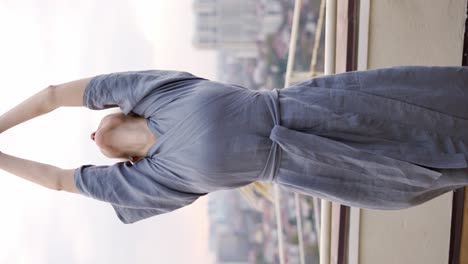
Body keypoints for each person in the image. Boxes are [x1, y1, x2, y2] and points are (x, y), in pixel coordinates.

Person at [1, 65, 468, 225]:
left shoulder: (157, 93)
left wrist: (1, 124)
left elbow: (51, 96)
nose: (93, 134)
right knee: (429, 159)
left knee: (432, 111)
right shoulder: (152, 180)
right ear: (121, 163)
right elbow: (60, 181)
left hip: (317, 107)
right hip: (315, 166)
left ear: (117, 109)